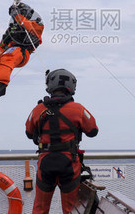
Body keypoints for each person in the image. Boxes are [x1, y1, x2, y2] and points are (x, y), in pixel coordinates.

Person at [25, 69, 99, 214]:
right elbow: (93, 131)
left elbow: (29, 133)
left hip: (46, 163)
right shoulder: (78, 109)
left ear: (50, 85)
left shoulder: (38, 109)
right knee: (70, 209)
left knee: (40, 208)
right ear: (71, 87)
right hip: (69, 164)